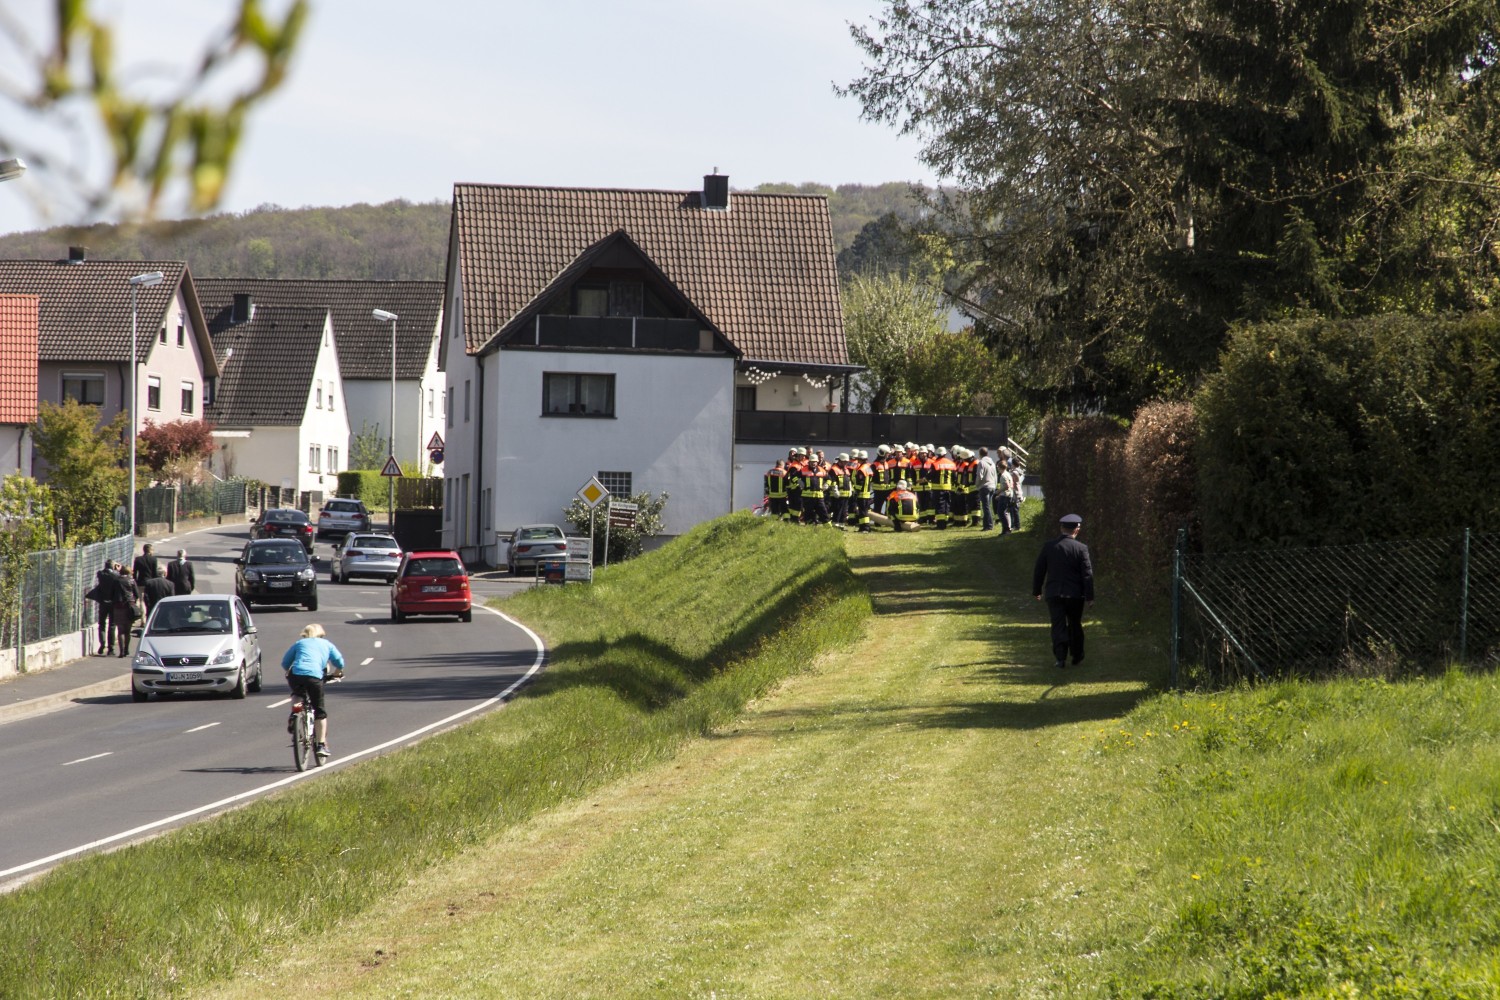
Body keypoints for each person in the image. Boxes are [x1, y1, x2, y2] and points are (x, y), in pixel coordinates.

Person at [1032, 513, 1095, 669]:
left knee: (1058, 624)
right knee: (1075, 623)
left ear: (1061, 528)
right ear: (1077, 530)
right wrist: (1089, 596)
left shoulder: (1049, 546)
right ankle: (1077, 654)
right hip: (1075, 594)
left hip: (1054, 592)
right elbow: (1087, 574)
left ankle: (1060, 657)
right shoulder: (1081, 548)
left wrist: (1037, 590)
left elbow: (1039, 570)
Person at [282, 623, 346, 760]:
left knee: (298, 694)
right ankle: (321, 745)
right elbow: (339, 661)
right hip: (314, 677)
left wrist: (290, 671)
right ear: (321, 634)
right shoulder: (327, 644)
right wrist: (338, 672)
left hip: (296, 675)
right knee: (320, 712)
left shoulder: (299, 643)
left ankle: (294, 714)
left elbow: (285, 663)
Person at [107, 560, 141, 658]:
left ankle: (121, 651)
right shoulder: (131, 580)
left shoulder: (116, 580)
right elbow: (137, 594)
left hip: (118, 607)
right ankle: (126, 649)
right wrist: (133, 601)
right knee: (128, 630)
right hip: (129, 606)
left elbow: (111, 594)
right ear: (129, 572)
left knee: (120, 630)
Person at [87, 560, 118, 655]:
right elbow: (118, 577)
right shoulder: (115, 576)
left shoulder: (101, 574)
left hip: (103, 602)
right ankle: (111, 648)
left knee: (102, 624)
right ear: (113, 566)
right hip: (112, 603)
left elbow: (100, 572)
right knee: (112, 625)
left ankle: (102, 644)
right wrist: (117, 569)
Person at [976, 447, 998, 531]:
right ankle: (986, 525)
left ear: (980, 454)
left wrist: (977, 485)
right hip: (992, 486)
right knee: (988, 506)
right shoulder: (992, 463)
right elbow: (995, 476)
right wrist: (995, 485)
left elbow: (979, 475)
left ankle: (989, 525)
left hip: (984, 486)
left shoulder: (981, 462)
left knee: (985, 507)